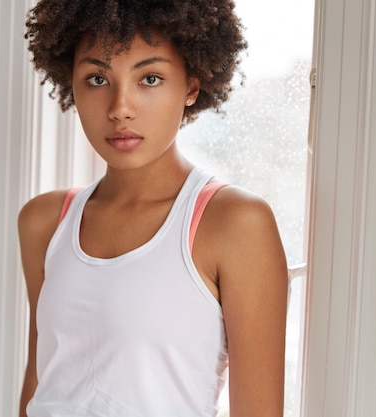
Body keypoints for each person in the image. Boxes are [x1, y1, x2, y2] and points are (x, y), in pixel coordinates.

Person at [18, 1, 288, 416]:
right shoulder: (44, 221)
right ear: (70, 82)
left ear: (192, 85)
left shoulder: (235, 224)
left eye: (150, 78)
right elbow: (40, 383)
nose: (120, 107)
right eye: (96, 78)